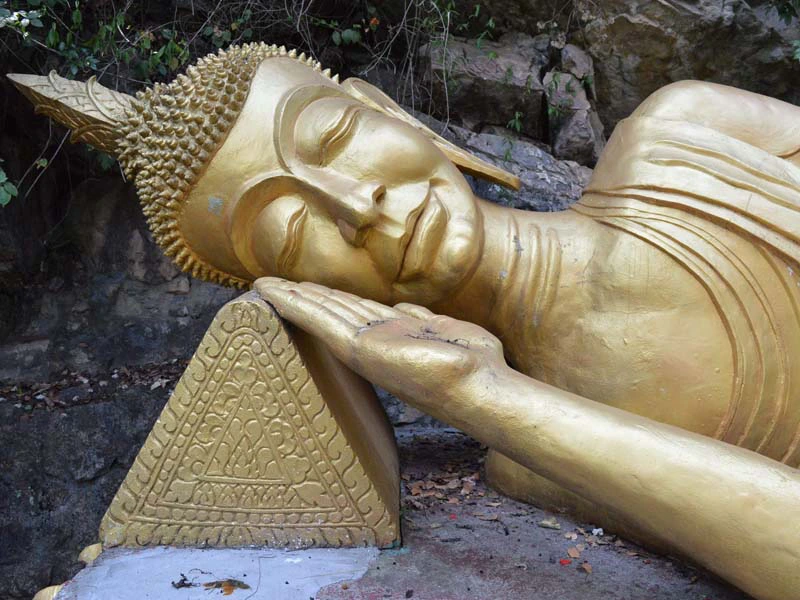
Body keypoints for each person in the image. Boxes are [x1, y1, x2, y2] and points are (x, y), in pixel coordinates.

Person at [10, 44, 800, 599]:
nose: (357, 206)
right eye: (290, 231)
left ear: (390, 111)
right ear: (296, 291)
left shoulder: (692, 141)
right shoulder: (533, 456)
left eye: (337, 137)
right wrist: (485, 399)